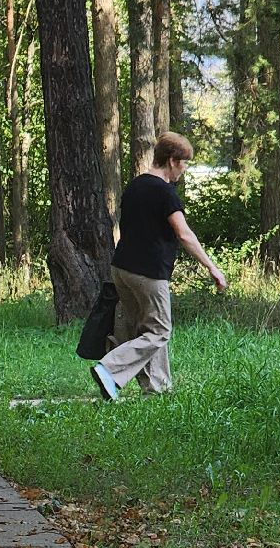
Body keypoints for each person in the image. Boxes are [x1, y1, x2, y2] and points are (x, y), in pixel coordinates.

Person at [90, 132, 227, 401]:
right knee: (160, 331)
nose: (184, 170)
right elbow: (184, 234)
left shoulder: (135, 186)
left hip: (122, 269)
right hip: (148, 273)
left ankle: (157, 391)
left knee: (145, 331)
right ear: (173, 160)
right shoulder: (166, 193)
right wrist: (212, 267)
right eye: (185, 163)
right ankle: (110, 368)